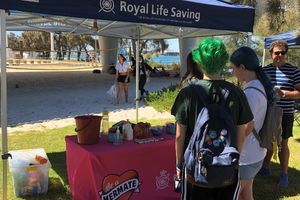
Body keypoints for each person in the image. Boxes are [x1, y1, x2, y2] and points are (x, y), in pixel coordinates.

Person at [171, 38, 253, 200]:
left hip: (196, 169)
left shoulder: (187, 93)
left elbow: (180, 136)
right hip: (227, 168)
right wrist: (234, 162)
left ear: (199, 62)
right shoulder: (237, 93)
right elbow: (241, 135)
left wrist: (179, 164)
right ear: (224, 62)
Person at [230, 47, 274, 200]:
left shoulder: (250, 93)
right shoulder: (259, 85)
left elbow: (246, 128)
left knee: (234, 195)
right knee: (246, 194)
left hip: (246, 156)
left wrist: (234, 153)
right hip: (256, 153)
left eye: (233, 68)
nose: (233, 72)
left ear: (242, 67)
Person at [261, 40, 300, 186]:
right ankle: (265, 167)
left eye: (283, 52)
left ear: (286, 54)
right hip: (267, 112)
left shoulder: (294, 70)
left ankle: (284, 174)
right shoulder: (264, 71)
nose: (280, 55)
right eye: (277, 53)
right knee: (266, 141)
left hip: (285, 113)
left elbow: (299, 93)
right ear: (271, 54)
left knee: (283, 144)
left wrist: (284, 93)